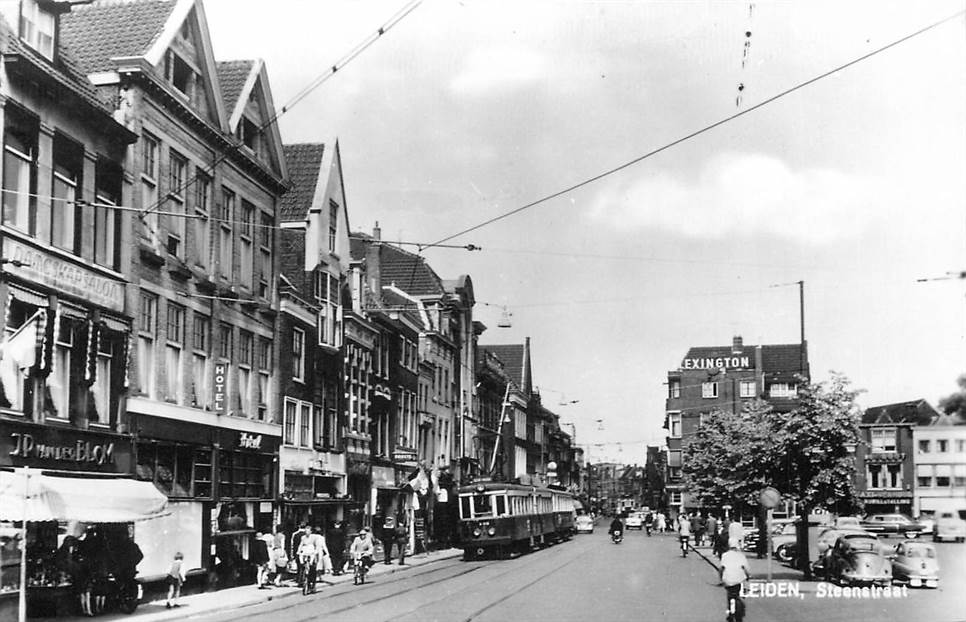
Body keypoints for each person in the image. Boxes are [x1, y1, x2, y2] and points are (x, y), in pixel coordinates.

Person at [719, 537, 750, 622]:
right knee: (738, 593)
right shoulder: (741, 556)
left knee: (729, 595)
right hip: (738, 580)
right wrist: (748, 576)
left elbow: (721, 568)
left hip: (727, 580)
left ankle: (730, 610)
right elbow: (746, 568)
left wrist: (721, 578)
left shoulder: (725, 555)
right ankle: (739, 609)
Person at [296, 526, 327, 593]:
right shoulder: (303, 538)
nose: (306, 532)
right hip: (305, 552)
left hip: (312, 553)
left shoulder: (314, 537)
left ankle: (313, 583)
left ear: (311, 531)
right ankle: (304, 580)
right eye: (305, 531)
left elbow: (317, 545)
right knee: (302, 565)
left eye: (308, 531)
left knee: (312, 568)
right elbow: (301, 545)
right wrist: (298, 551)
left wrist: (316, 551)